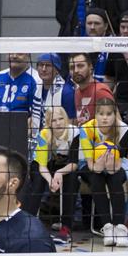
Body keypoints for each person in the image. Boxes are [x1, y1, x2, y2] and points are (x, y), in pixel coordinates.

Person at [22, 105, 80, 247]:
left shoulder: (75, 132)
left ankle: (66, 229)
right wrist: (50, 180)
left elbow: (74, 163)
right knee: (38, 180)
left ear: (66, 119)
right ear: (49, 123)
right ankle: (26, 225)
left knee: (72, 178)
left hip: (66, 165)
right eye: (54, 120)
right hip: (45, 165)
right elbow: (42, 165)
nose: (58, 123)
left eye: (61, 119)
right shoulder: (44, 134)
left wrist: (59, 173)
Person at [79, 96, 128, 247]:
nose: (105, 118)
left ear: (115, 115)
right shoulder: (86, 129)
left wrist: (110, 167)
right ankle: (107, 227)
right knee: (96, 178)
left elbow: (117, 165)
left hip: (116, 165)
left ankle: (120, 228)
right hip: (90, 165)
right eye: (101, 114)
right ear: (95, 115)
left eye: (109, 114)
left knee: (115, 179)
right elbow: (91, 165)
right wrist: (99, 166)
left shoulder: (124, 129)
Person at [66, 50, 113, 123]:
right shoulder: (77, 92)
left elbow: (117, 125)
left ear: (90, 67)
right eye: (72, 67)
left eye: (80, 66)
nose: (76, 70)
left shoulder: (100, 91)